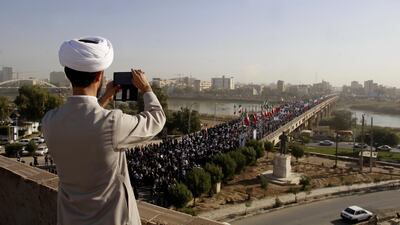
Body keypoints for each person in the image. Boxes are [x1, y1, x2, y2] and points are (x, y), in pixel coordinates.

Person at [42, 36, 166, 225]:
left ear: (67, 73)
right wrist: (146, 88)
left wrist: (104, 98)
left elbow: (84, 121)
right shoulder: (112, 123)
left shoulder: (50, 121)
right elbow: (156, 119)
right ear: (99, 76)